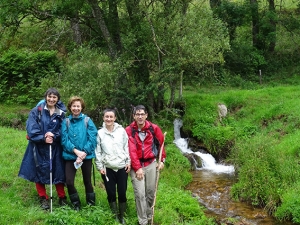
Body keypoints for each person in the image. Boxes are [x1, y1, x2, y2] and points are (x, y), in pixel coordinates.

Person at [19, 88, 67, 210]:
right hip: (38, 147)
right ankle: (43, 198)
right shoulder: (36, 111)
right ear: (46, 97)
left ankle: (62, 198)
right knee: (38, 170)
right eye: (49, 96)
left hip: (55, 147)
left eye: (54, 97)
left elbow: (64, 130)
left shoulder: (61, 113)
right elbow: (31, 128)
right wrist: (43, 138)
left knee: (58, 170)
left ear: (58, 99)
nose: (51, 99)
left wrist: (54, 136)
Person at [125, 105, 166, 225]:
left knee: (150, 192)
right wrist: (137, 168)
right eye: (137, 114)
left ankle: (149, 215)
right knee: (140, 194)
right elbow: (131, 150)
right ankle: (142, 221)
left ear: (146, 115)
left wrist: (162, 160)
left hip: (151, 163)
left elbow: (161, 145)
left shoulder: (154, 128)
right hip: (135, 165)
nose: (140, 116)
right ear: (134, 116)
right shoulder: (129, 130)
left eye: (142, 114)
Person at [61, 96, 98, 210]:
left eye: (78, 106)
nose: (76, 108)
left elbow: (92, 138)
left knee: (87, 181)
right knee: (69, 181)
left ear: (82, 107)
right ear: (70, 107)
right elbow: (64, 140)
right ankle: (76, 204)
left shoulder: (87, 121)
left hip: (86, 156)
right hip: (70, 155)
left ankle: (91, 205)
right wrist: (76, 152)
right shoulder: (66, 122)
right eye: (74, 106)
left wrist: (83, 153)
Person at [95, 108, 131, 224]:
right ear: (103, 118)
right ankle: (115, 215)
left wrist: (128, 162)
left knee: (122, 192)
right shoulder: (100, 133)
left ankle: (122, 216)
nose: (109, 119)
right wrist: (100, 167)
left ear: (115, 118)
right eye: (107, 117)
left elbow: (127, 147)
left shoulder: (121, 131)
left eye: (111, 117)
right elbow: (98, 152)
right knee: (110, 192)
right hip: (107, 168)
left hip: (121, 167)